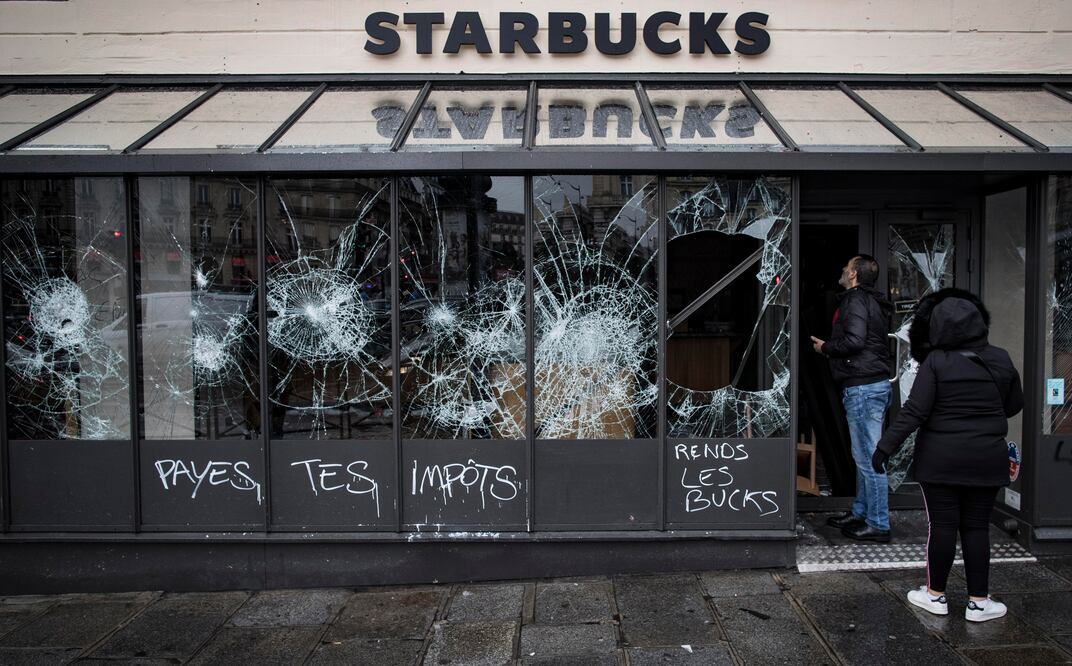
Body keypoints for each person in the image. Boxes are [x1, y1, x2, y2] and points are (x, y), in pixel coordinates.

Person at [871, 295, 1023, 622]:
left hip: (941, 460)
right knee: (976, 528)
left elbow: (915, 411)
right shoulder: (1001, 358)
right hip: (987, 457)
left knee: (941, 526)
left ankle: (936, 596)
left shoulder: (936, 361)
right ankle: (979, 603)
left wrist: (885, 447)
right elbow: (1013, 405)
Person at [810, 254, 893, 542]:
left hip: (864, 388)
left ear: (855, 275)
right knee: (864, 456)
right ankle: (861, 511)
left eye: (847, 267)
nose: (843, 270)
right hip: (870, 385)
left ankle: (879, 523)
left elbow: (855, 340)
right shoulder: (872, 301)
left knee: (870, 459)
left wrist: (827, 348)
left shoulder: (855, 300)